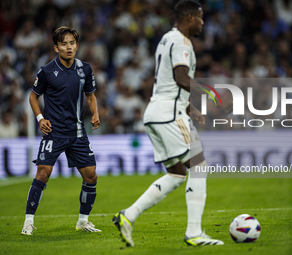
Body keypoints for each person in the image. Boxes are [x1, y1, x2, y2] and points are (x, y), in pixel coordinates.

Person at [112, 0, 231, 246]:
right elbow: (179, 78)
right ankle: (194, 233)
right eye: (200, 18)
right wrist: (210, 92)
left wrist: (192, 108)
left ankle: (128, 215)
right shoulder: (182, 42)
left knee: (177, 174)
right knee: (199, 166)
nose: (202, 23)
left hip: (158, 112)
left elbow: (168, 83)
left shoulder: (166, 39)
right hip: (169, 114)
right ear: (189, 18)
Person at [21, 27, 101, 235]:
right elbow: (33, 96)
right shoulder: (47, 71)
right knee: (43, 173)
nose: (69, 47)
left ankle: (83, 221)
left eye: (72, 43)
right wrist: (40, 118)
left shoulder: (85, 69)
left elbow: (91, 96)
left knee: (91, 176)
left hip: (77, 133)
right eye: (64, 44)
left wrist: (95, 114)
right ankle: (28, 222)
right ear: (56, 47)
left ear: (77, 45)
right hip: (53, 133)